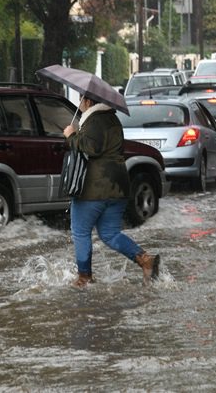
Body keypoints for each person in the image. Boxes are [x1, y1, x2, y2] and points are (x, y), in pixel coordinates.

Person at [63, 95, 160, 288]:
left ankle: (84, 278)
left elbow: (91, 148)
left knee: (80, 231)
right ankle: (145, 260)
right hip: (119, 185)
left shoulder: (94, 120)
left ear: (89, 102)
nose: (80, 105)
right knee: (110, 233)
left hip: (94, 187)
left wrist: (71, 135)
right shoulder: (113, 119)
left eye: (81, 100)